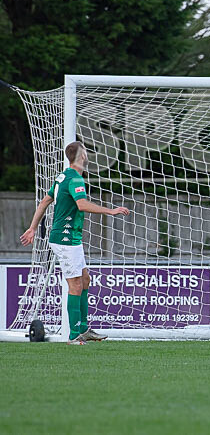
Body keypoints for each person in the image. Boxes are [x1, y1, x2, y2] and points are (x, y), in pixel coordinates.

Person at [20, 141, 130, 344]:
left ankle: (83, 329)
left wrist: (32, 228)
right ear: (82, 156)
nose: (87, 154)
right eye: (86, 151)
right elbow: (81, 204)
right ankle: (73, 335)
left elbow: (44, 201)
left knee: (85, 280)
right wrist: (110, 211)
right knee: (75, 284)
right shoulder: (75, 179)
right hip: (65, 239)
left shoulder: (63, 176)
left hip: (71, 239)